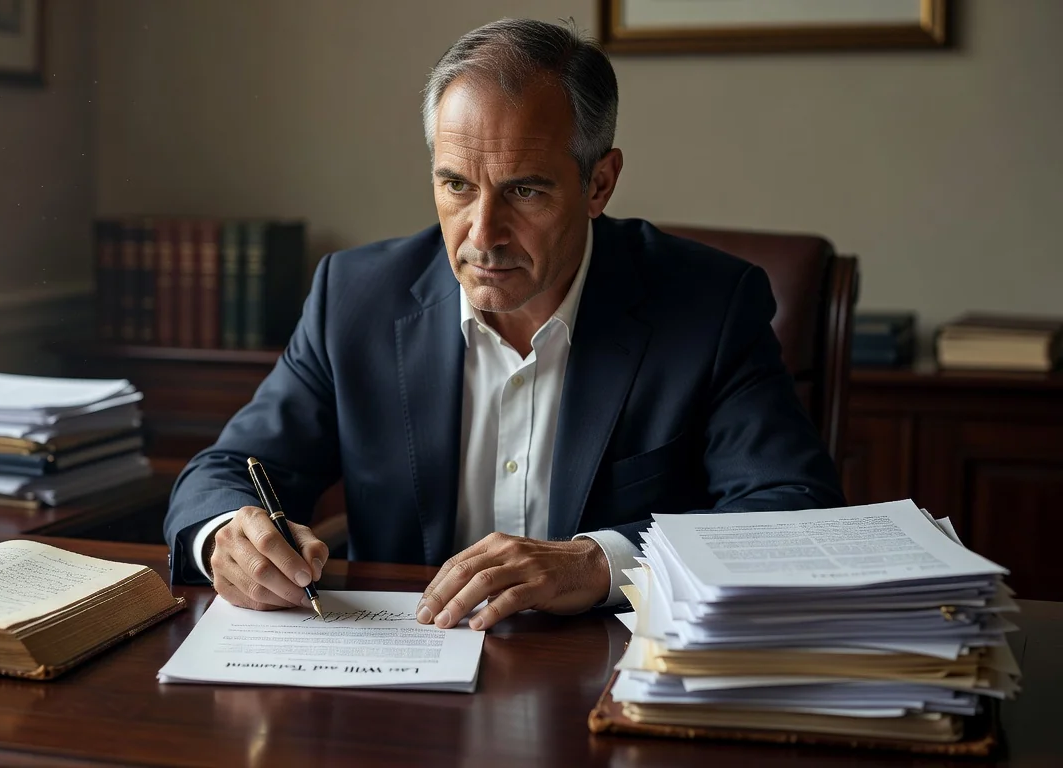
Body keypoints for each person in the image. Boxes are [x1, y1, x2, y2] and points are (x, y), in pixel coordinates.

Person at [163, 18, 845, 631]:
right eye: (456, 185)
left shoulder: (707, 306)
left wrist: (599, 563)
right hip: (401, 683)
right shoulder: (356, 299)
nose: (482, 234)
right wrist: (228, 535)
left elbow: (792, 511)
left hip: (610, 679)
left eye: (525, 190)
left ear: (599, 184)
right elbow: (223, 471)